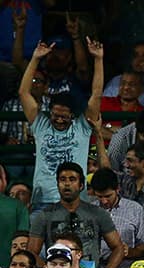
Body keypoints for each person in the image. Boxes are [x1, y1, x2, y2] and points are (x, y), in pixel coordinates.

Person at [19, 37, 103, 206]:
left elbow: (96, 95)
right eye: (55, 114)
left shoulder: (82, 127)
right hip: (43, 201)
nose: (58, 119)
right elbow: (23, 93)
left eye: (64, 117)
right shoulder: (41, 124)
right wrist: (35, 58)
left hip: (77, 201)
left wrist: (98, 59)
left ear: (73, 115)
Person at [28, 162, 126, 268]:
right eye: (62, 179)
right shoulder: (44, 216)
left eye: (72, 179)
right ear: (58, 184)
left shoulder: (98, 214)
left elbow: (118, 248)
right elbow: (31, 253)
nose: (67, 184)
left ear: (81, 185)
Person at [88, 167, 144, 268]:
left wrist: (131, 252)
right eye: (99, 196)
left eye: (108, 196)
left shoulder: (134, 209)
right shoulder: (89, 211)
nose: (104, 201)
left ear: (117, 189)